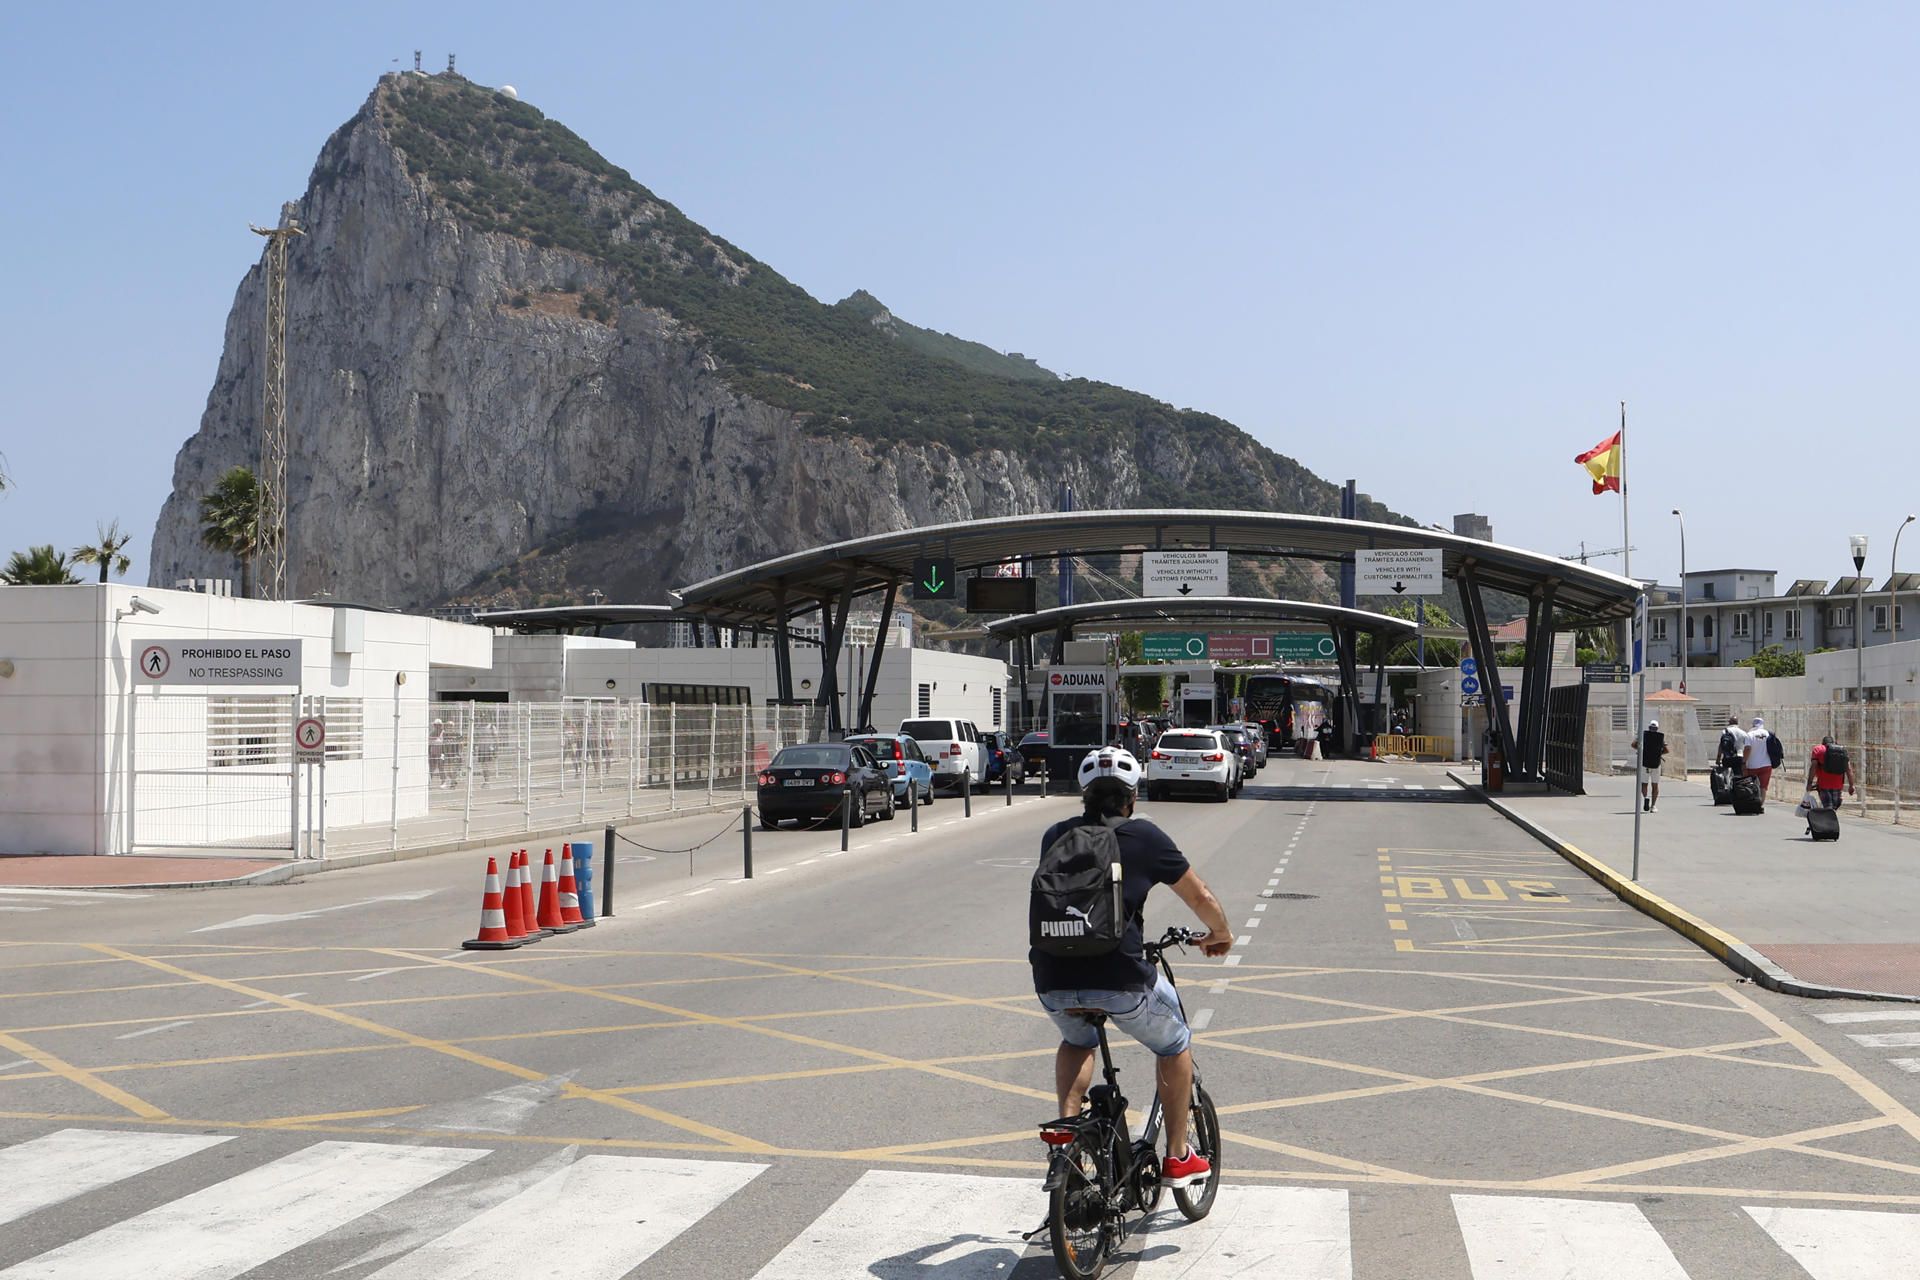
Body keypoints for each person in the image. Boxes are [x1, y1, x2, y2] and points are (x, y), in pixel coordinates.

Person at [1033, 749, 1233, 1190]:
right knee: (1175, 1041)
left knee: (1076, 1038)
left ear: (1084, 794)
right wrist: (1220, 933)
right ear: (1132, 796)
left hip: (1052, 978)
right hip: (1119, 978)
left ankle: (1068, 1140)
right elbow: (1198, 896)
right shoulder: (1145, 837)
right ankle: (1178, 1157)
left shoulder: (1056, 835)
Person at [1807, 735, 1858, 813]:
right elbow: (1849, 769)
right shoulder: (1841, 750)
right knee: (1832, 809)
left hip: (1823, 785)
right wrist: (1851, 785)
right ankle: (1828, 821)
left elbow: (1813, 767)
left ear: (1823, 743)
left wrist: (1809, 783)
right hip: (1838, 786)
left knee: (1828, 810)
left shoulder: (1818, 749)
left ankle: (1826, 823)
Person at [1635, 718, 1669, 811]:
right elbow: (1666, 750)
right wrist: (1658, 753)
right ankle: (1653, 805)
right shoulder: (1660, 739)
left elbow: (1633, 744)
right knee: (1655, 785)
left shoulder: (1643, 736)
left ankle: (1646, 797)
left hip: (1645, 763)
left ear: (1649, 727)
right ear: (1657, 729)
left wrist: (1641, 750)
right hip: (1656, 764)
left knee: (1644, 784)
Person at [1743, 716, 1775, 798]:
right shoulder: (1768, 734)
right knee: (1763, 788)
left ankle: (1753, 804)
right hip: (1766, 765)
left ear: (1753, 725)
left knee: (1752, 786)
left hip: (1752, 765)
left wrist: (1743, 762)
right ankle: (1760, 806)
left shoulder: (1749, 735)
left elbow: (1747, 748)